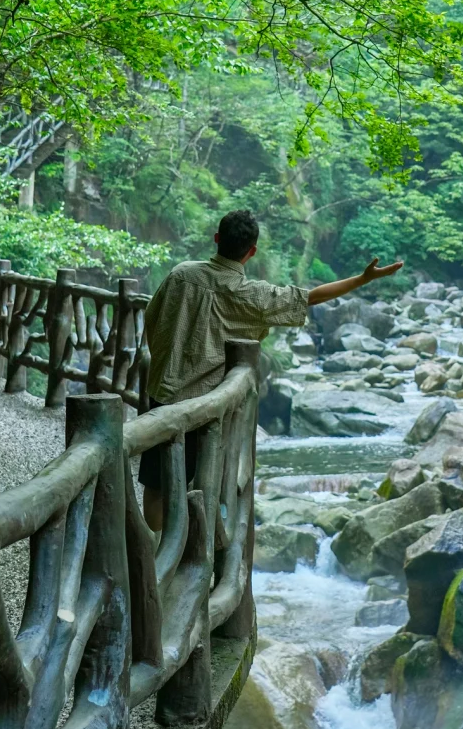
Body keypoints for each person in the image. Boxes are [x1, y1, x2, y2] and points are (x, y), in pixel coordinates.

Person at [138, 208, 402, 529]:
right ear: (252, 252)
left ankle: (162, 555)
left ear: (217, 239)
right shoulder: (254, 295)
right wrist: (363, 278)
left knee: (156, 492)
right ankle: (187, 557)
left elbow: (153, 320)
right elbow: (310, 298)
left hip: (163, 396)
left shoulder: (180, 275)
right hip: (206, 408)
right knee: (202, 484)